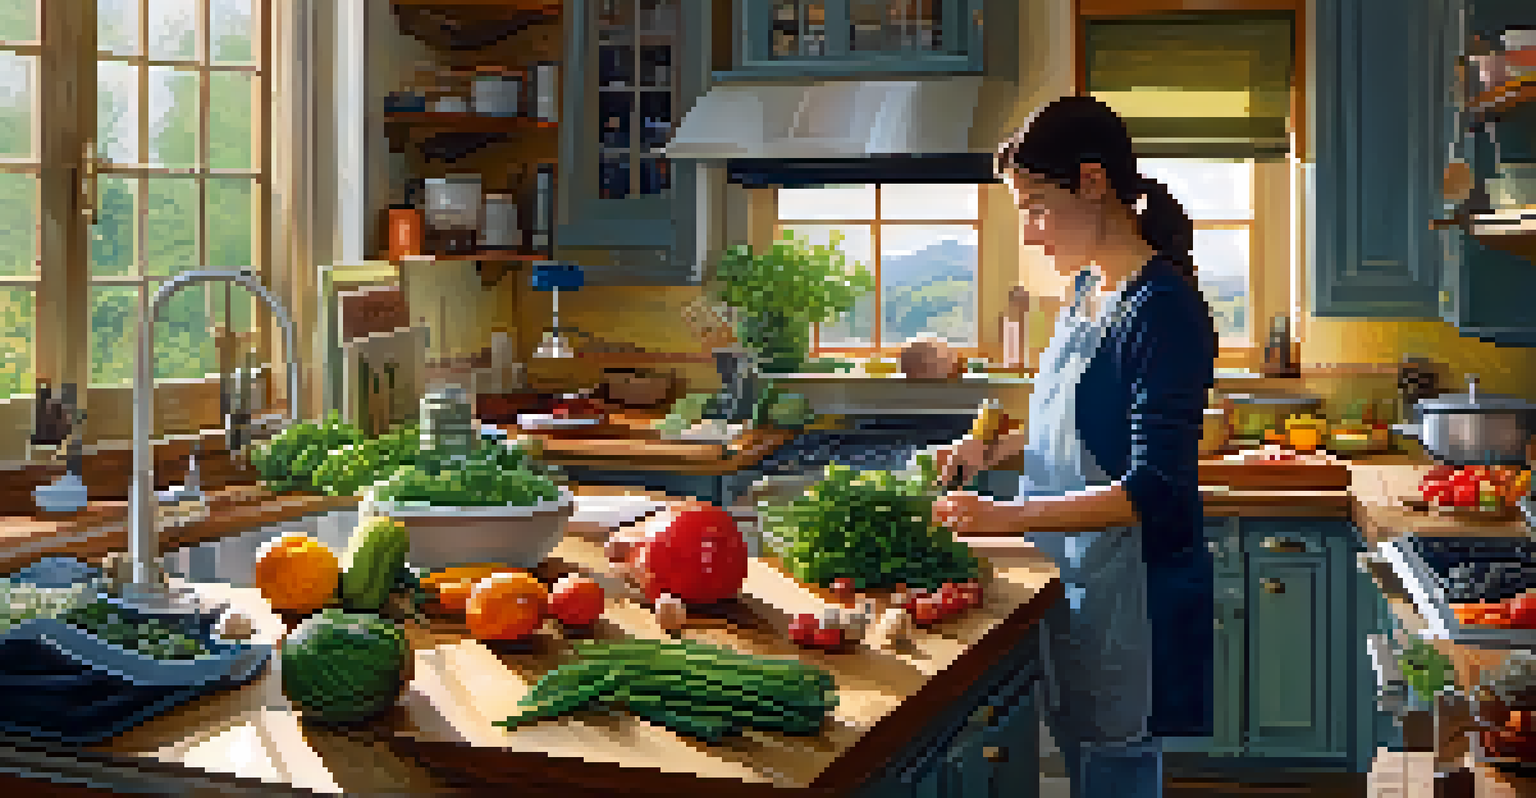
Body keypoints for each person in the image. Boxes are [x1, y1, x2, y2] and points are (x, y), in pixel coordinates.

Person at [931, 95, 1218, 798]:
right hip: (1067, 581)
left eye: (1035, 207)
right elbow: (1082, 422)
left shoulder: (1164, 311)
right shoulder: (1087, 290)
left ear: (1093, 182)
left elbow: (1155, 489)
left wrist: (1005, 517)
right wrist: (995, 452)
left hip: (1129, 601)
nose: (1030, 235)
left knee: (1116, 773)